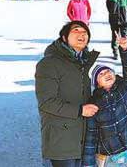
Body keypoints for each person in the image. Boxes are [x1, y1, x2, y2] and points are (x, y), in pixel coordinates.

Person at [35, 21, 100, 167]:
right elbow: (46, 102)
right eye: (76, 30)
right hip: (61, 140)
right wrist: (80, 110)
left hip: (85, 138)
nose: (82, 34)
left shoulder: (85, 62)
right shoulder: (49, 64)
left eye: (85, 33)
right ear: (64, 38)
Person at [84, 34, 127, 167]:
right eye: (101, 74)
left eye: (109, 71)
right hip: (110, 155)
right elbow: (91, 136)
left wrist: (125, 49)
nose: (106, 74)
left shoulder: (125, 88)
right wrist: (88, 164)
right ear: (96, 83)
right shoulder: (94, 104)